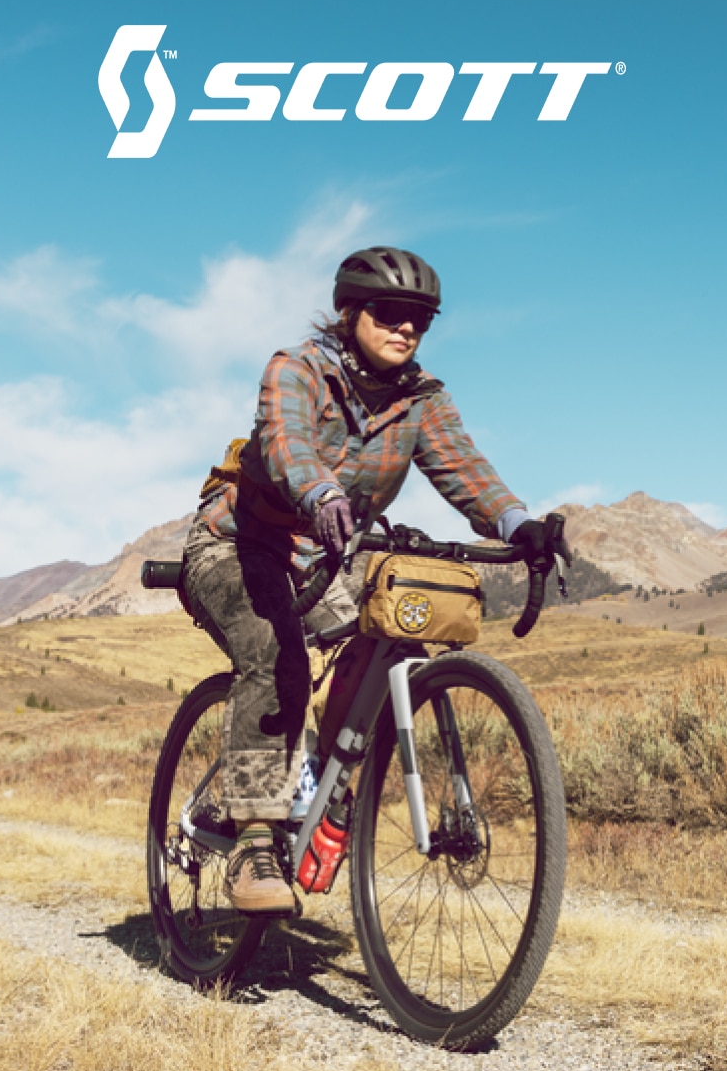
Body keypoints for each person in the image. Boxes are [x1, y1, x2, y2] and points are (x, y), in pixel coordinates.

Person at [182, 246, 557, 914]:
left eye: (421, 318)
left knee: (400, 632)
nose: (405, 327)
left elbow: (462, 467)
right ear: (351, 312)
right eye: (389, 312)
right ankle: (255, 841)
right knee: (274, 661)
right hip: (240, 544)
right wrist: (321, 492)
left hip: (332, 555)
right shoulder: (298, 367)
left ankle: (323, 787)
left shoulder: (422, 398)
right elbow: (285, 440)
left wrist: (516, 522)